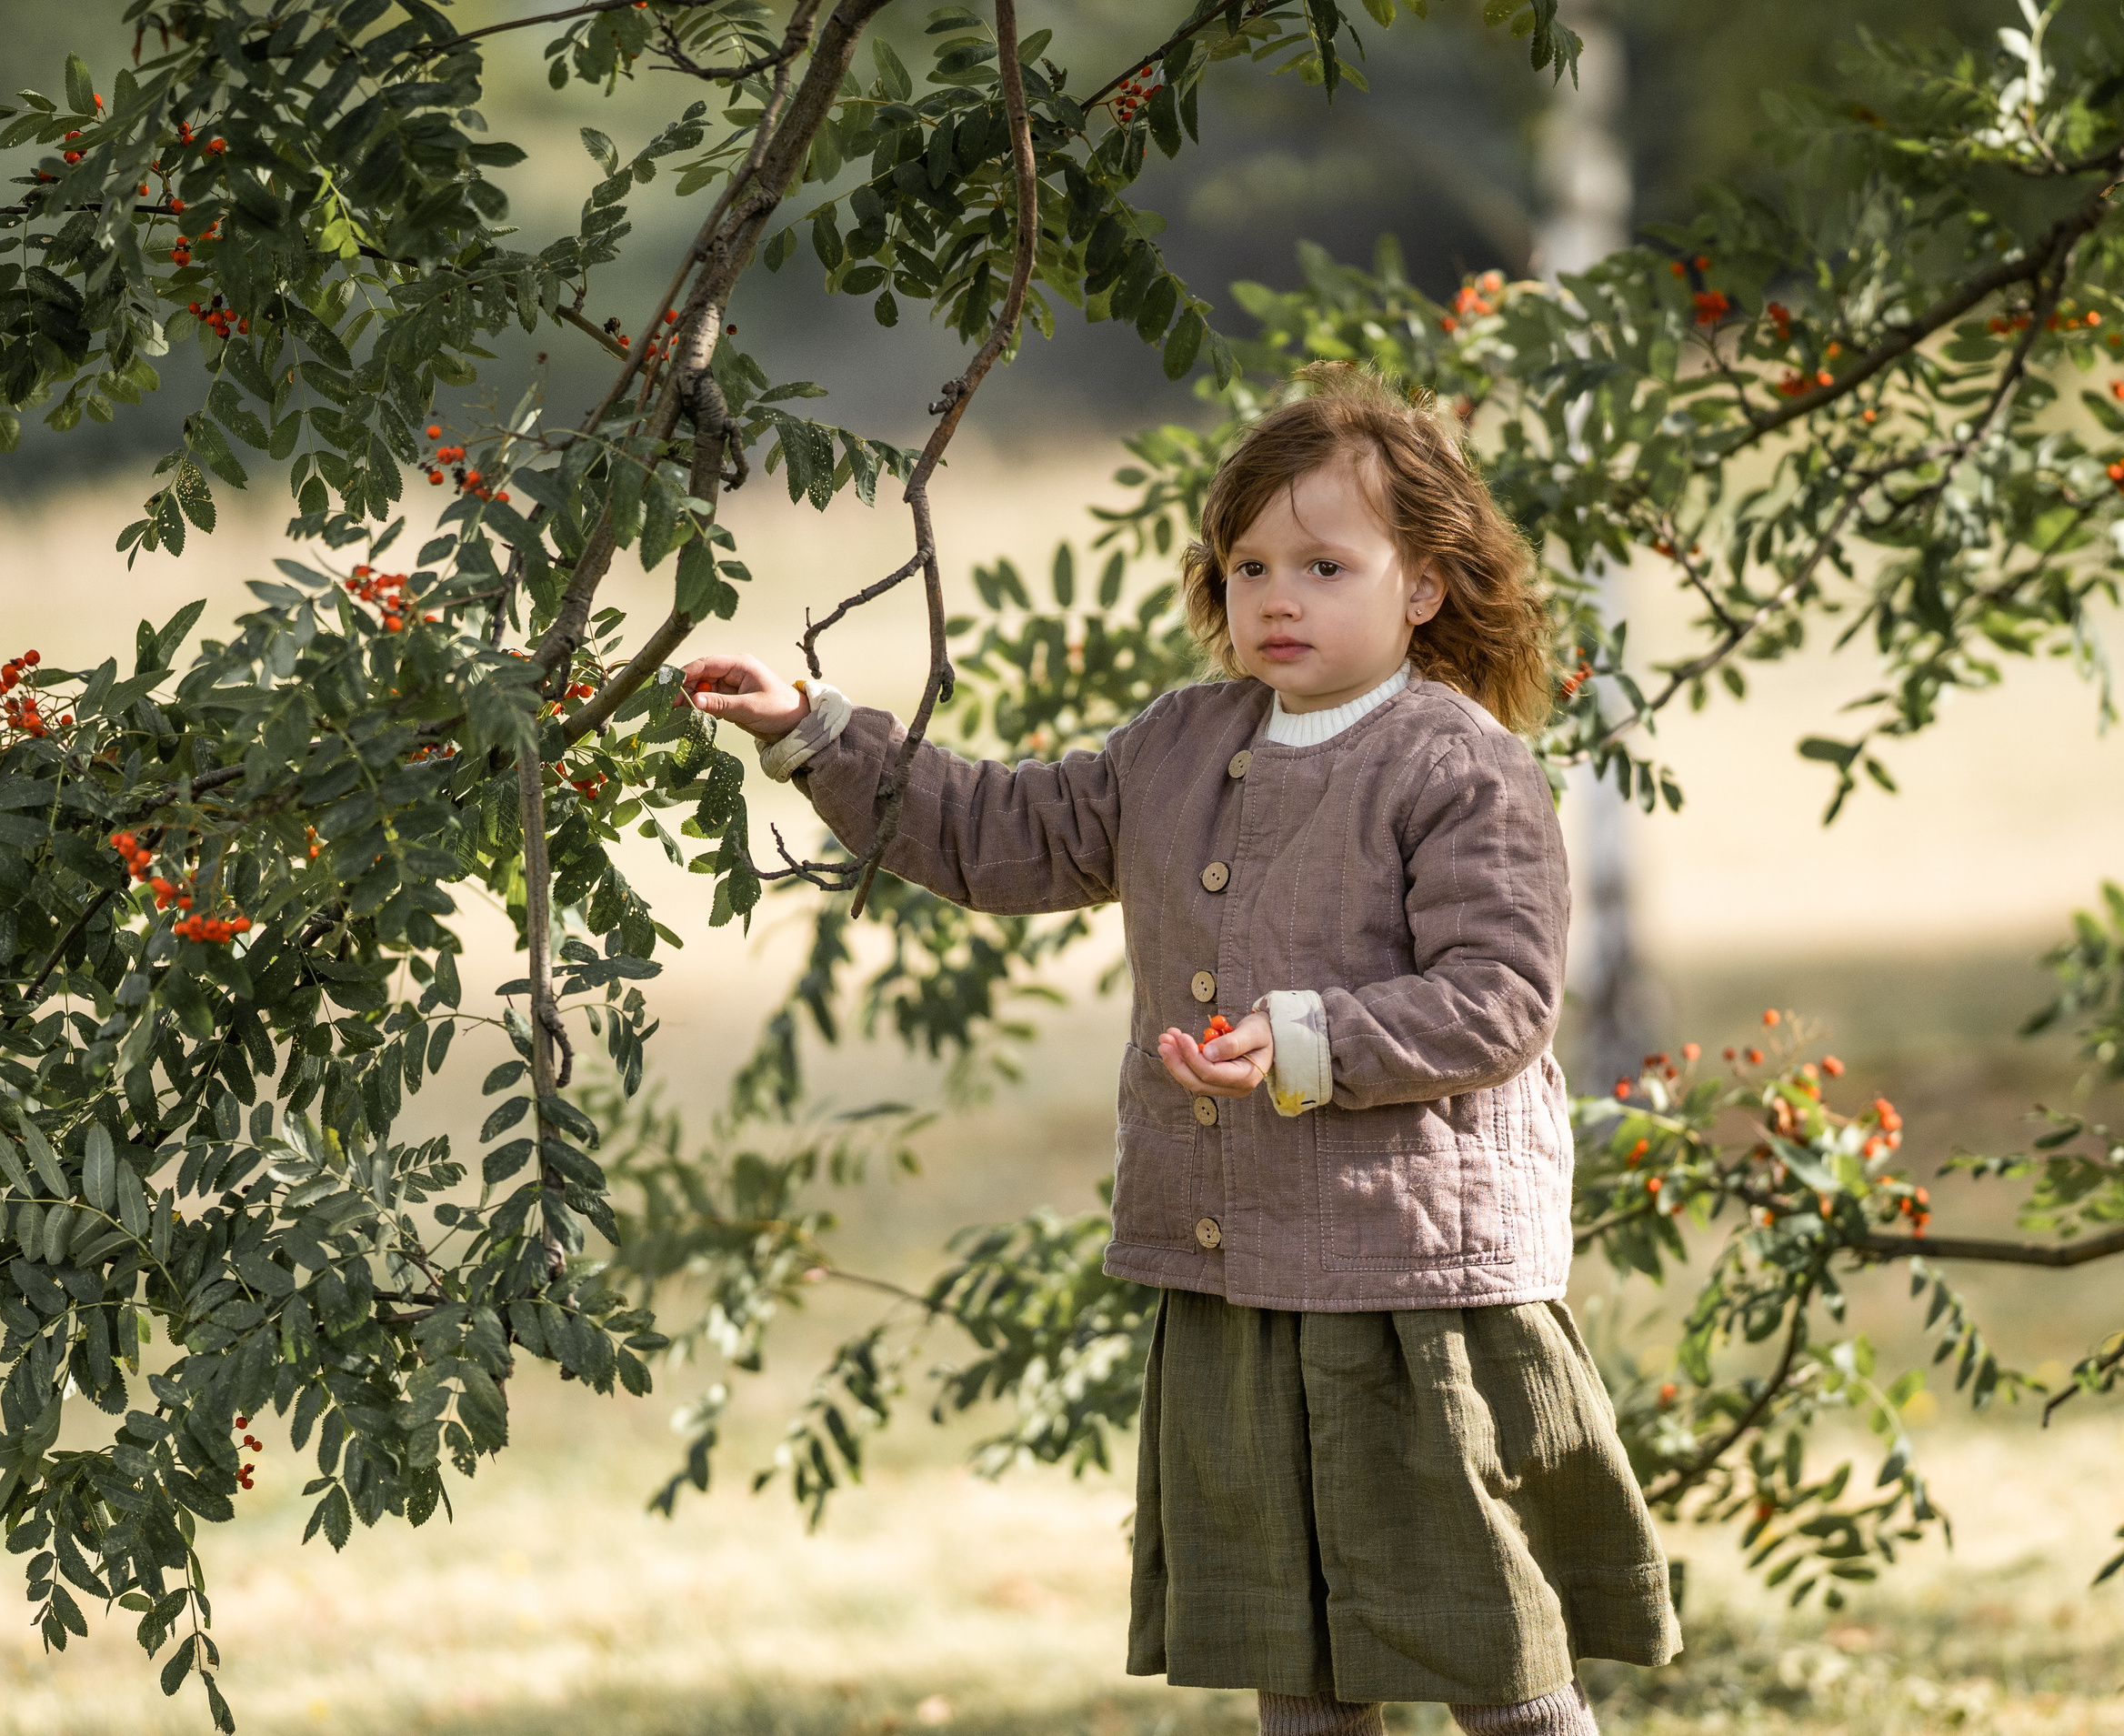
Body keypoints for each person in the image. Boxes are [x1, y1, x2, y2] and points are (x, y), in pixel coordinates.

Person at [679, 362, 1680, 1736]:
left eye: (1326, 564)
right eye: (1250, 561)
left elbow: (1499, 998)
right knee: (1298, 1652)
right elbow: (997, 833)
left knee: (1486, 1642)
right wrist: (815, 731)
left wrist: (1306, 1036)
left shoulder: (1459, 764)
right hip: (1241, 1270)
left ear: (1427, 586)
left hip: (1413, 1281)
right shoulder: (1180, 742)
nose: (1279, 594)